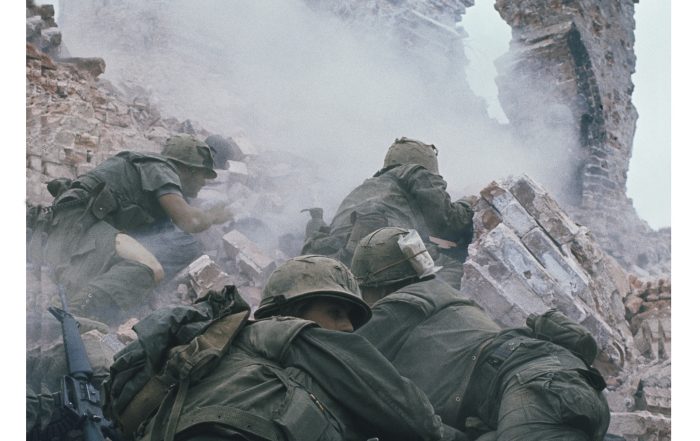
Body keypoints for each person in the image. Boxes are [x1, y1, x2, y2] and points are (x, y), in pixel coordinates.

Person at [131, 255, 466, 441]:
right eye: (335, 313)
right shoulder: (296, 335)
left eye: (351, 318)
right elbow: (416, 420)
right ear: (291, 312)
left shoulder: (236, 355)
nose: (348, 328)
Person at [351, 227, 610, 441]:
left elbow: (338, 358)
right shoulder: (446, 297)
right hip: (561, 389)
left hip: (539, 389)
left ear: (378, 286)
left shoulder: (401, 305)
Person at [28, 133, 232, 325]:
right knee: (150, 268)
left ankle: (92, 301)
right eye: (203, 175)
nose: (204, 183)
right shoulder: (160, 167)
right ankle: (75, 310)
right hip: (76, 228)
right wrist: (214, 216)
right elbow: (190, 221)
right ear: (190, 169)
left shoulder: (145, 172)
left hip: (78, 234)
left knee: (183, 246)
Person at [301, 137, 474, 289]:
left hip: (337, 263)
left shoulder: (365, 187)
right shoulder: (415, 173)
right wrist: (467, 203)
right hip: (384, 252)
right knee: (454, 271)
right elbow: (449, 222)